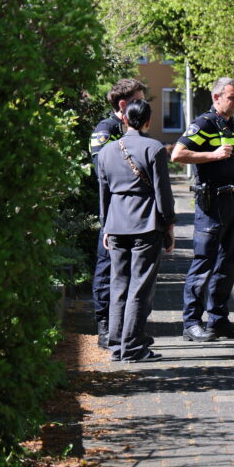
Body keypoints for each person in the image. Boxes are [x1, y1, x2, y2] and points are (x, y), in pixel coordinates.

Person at [171, 77, 234, 342]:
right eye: (231, 97)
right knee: (204, 262)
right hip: (211, 205)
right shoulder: (204, 123)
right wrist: (213, 155)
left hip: (233, 201)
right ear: (216, 98)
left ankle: (218, 321)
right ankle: (191, 323)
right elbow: (177, 154)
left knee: (228, 263)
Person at [95, 99, 175, 362]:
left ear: (125, 119)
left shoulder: (106, 151)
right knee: (140, 287)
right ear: (148, 121)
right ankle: (133, 347)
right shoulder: (154, 148)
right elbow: (163, 193)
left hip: (116, 223)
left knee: (118, 284)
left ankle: (117, 345)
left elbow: (103, 192)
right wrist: (169, 225)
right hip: (146, 222)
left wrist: (106, 226)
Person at [89, 78, 147, 349]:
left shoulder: (132, 131)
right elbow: (103, 174)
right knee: (107, 270)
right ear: (123, 105)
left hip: (134, 213)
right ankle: (105, 326)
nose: (144, 106)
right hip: (113, 212)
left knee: (131, 272)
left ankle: (127, 328)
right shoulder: (106, 131)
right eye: (138, 101)